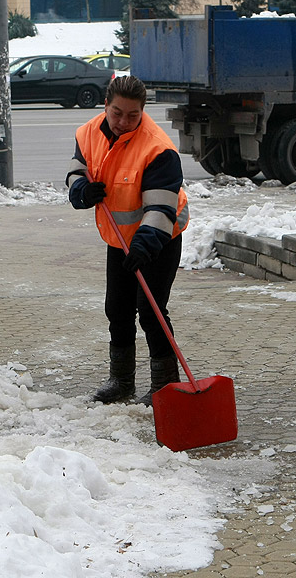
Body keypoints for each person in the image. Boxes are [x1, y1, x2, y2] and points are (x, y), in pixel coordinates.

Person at [66, 75, 190, 405]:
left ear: (143, 112)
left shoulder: (158, 148)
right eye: (117, 113)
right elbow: (77, 171)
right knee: (117, 309)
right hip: (119, 238)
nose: (123, 122)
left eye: (133, 115)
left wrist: (144, 246)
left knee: (150, 310)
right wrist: (81, 191)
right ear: (106, 106)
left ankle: (165, 385)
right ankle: (121, 382)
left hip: (159, 237)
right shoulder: (88, 133)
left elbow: (161, 207)